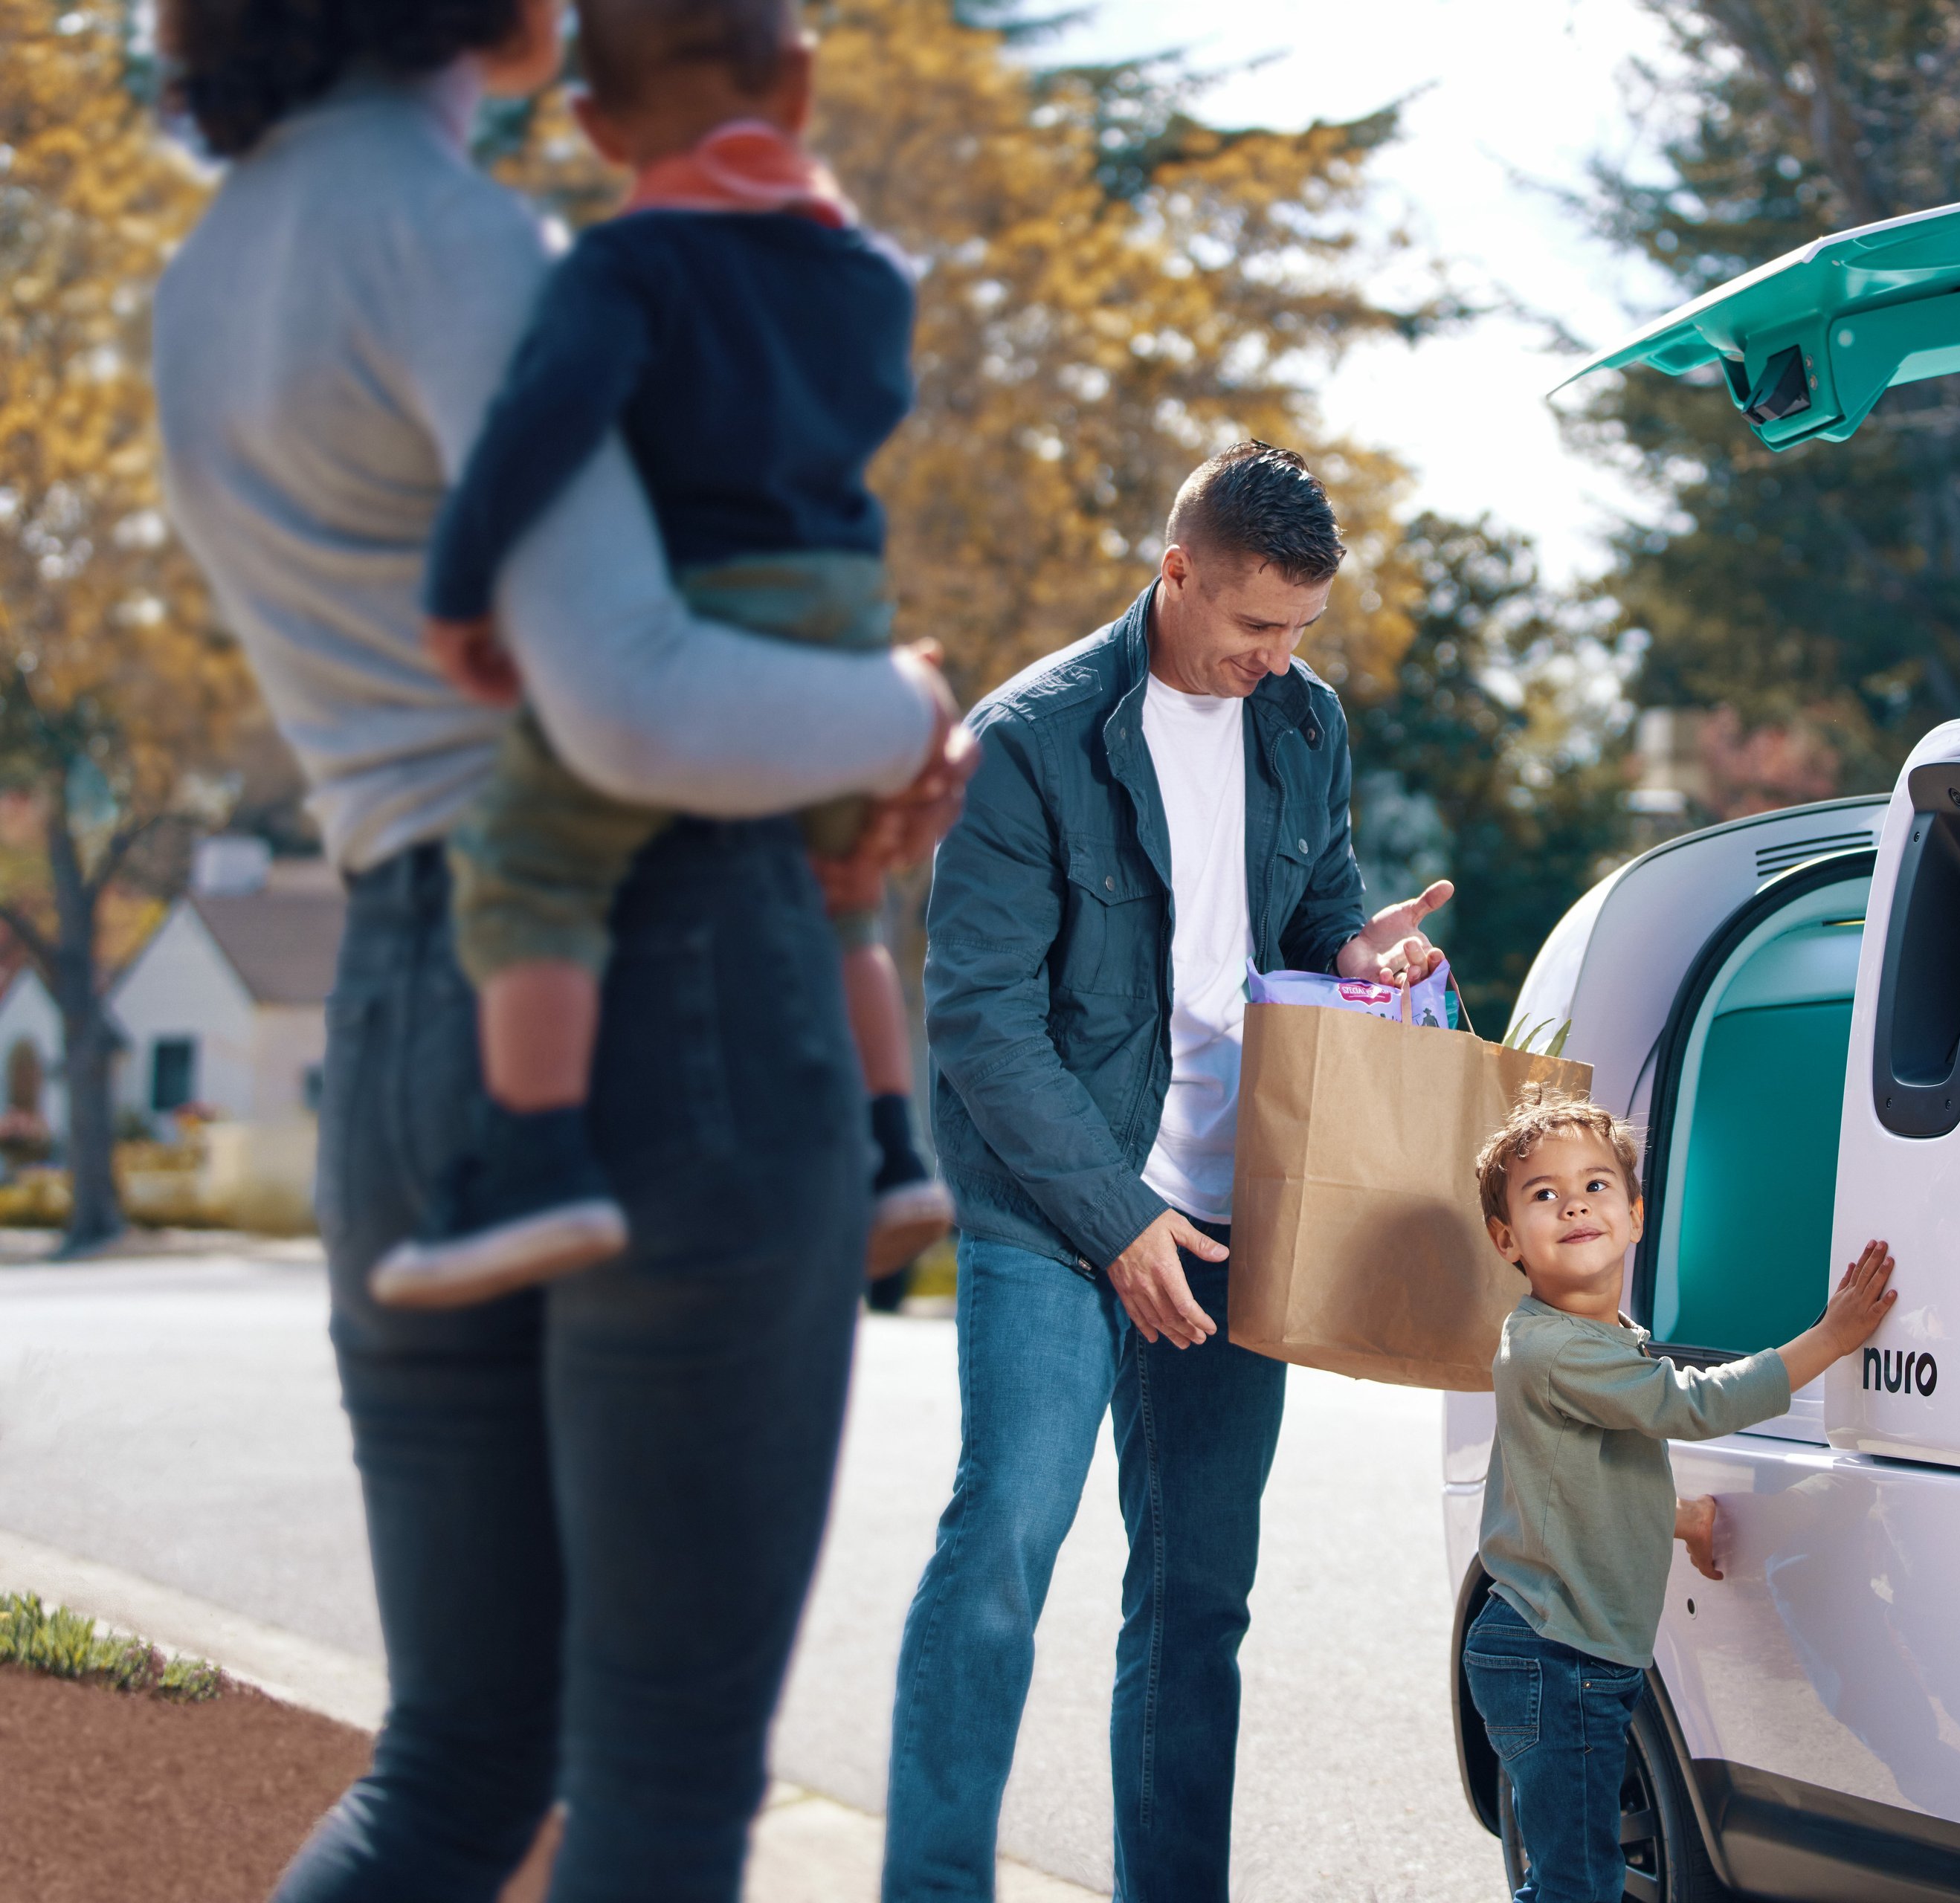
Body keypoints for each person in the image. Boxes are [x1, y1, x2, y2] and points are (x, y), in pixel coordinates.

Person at [149, 1, 975, 1896]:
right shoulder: (461, 243)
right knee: (665, 1777)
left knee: (450, 1761)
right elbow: (632, 707)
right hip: (668, 975)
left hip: (406, 1001)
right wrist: (896, 708)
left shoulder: (206, 281)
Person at [886, 441, 1452, 1902]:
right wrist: (1113, 1211)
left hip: (1228, 1200)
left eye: (1300, 631)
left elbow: (1308, 898)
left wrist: (1357, 947)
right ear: (1177, 568)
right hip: (1052, 1202)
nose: (1276, 657)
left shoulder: (1303, 721)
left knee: (1200, 1594)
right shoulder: (1031, 739)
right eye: (1253, 624)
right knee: (1004, 1546)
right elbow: (981, 1015)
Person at [375, 0, 950, 1308]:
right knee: (842, 884)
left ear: (593, 124)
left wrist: (464, 587)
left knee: (532, 851)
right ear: (799, 88)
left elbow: (543, 426)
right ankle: (889, 1148)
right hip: (847, 606)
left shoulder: (623, 270)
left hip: (711, 602)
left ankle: (535, 1155)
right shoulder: (867, 278)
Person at [1465, 1091, 1895, 1903]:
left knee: (1574, 1879)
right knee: (1576, 1885)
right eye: (1543, 1194)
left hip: (1566, 1652)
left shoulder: (1597, 1337)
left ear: (1633, 1215)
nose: (1573, 1205)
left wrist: (1686, 1519)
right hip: (1552, 1658)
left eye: (1594, 1186)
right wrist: (1830, 1338)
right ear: (1506, 1239)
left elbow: (1577, 1488)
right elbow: (1689, 1406)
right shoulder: (1553, 1347)